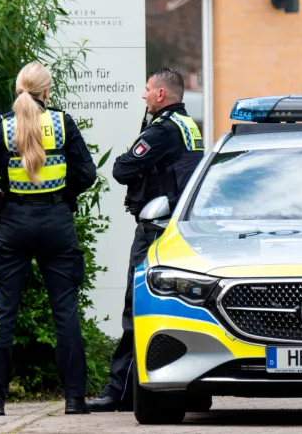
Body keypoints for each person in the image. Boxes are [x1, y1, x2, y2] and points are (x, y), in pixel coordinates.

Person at [0, 62, 98, 416]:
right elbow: (87, 174)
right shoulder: (62, 123)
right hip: (56, 222)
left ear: (18, 90)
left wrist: (4, 193)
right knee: (66, 312)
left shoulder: (0, 126)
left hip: (12, 224)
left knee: (3, 312)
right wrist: (61, 193)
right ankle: (74, 399)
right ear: (47, 92)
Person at [87, 67, 204, 412]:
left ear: (161, 95)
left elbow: (121, 168)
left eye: (148, 90)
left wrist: (136, 163)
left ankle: (119, 392)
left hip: (155, 230)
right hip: (179, 228)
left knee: (135, 307)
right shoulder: (189, 125)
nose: (144, 95)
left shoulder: (162, 130)